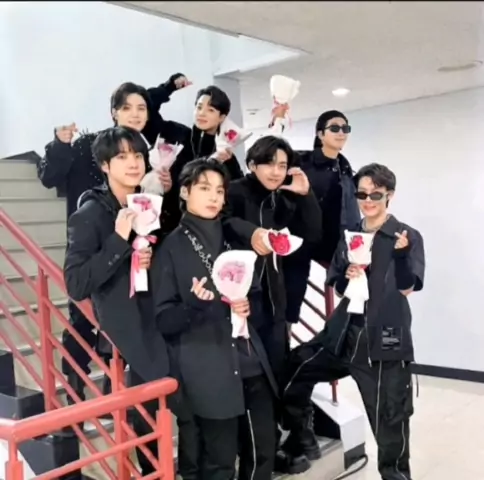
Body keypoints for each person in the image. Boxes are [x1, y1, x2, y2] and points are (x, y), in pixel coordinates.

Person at [37, 75, 187, 405]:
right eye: (127, 108)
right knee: (84, 324)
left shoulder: (146, 173)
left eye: (142, 108)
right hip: (96, 249)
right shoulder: (89, 150)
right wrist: (58, 144)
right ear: (113, 112)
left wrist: (163, 189)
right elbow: (77, 283)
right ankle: (76, 393)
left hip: (142, 297)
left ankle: (115, 388)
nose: (135, 114)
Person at [278, 163, 425, 478]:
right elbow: (338, 285)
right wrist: (347, 275)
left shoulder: (406, 235)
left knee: (390, 420)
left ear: (390, 195)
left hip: (386, 336)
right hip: (343, 332)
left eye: (376, 194)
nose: (368, 200)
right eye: (362, 194)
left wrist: (401, 255)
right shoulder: (350, 236)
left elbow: (407, 288)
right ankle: (301, 436)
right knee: (294, 367)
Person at [151, 158, 278, 480]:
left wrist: (248, 305)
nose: (213, 197)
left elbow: (258, 297)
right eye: (204, 188)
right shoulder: (171, 248)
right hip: (208, 367)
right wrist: (196, 305)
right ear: (184, 192)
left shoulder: (233, 237)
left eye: (220, 191)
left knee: (263, 450)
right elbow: (164, 320)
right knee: (219, 462)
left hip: (251, 361)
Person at [63, 126, 171, 473]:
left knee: (170, 408)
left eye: (138, 155)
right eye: (122, 157)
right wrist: (119, 240)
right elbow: (76, 284)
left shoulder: (149, 204)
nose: (133, 163)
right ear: (105, 165)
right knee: (145, 417)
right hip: (128, 331)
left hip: (161, 317)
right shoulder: (89, 215)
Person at [221, 135, 322, 387]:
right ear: (252, 165)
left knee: (277, 365)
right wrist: (252, 233)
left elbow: (312, 233)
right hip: (239, 295)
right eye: (269, 163)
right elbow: (223, 221)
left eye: (282, 166)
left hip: (275, 295)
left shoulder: (284, 197)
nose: (276, 172)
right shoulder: (234, 190)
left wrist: (306, 194)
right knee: (246, 371)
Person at [284, 110, 361, 325]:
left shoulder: (345, 168)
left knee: (359, 281)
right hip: (300, 238)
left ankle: (346, 337)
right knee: (291, 298)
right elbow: (274, 155)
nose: (341, 132)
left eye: (345, 128)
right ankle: (284, 340)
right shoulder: (301, 160)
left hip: (333, 242)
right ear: (320, 134)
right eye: (334, 128)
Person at [155, 85, 244, 238]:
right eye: (199, 107)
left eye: (211, 110)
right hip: (171, 228)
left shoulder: (226, 157)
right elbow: (150, 113)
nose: (202, 113)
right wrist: (170, 86)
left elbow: (236, 196)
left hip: (207, 232)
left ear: (222, 117)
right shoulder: (178, 137)